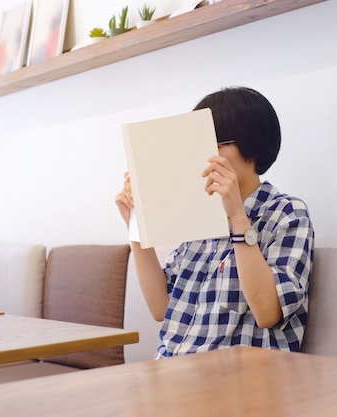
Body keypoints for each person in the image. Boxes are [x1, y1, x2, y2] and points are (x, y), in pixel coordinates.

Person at [115, 86, 314, 358]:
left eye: (216, 141)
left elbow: (267, 312)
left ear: (252, 146)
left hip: (241, 381)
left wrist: (237, 217)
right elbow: (160, 306)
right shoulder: (201, 215)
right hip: (174, 371)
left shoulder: (286, 213)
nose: (203, 153)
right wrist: (135, 223)